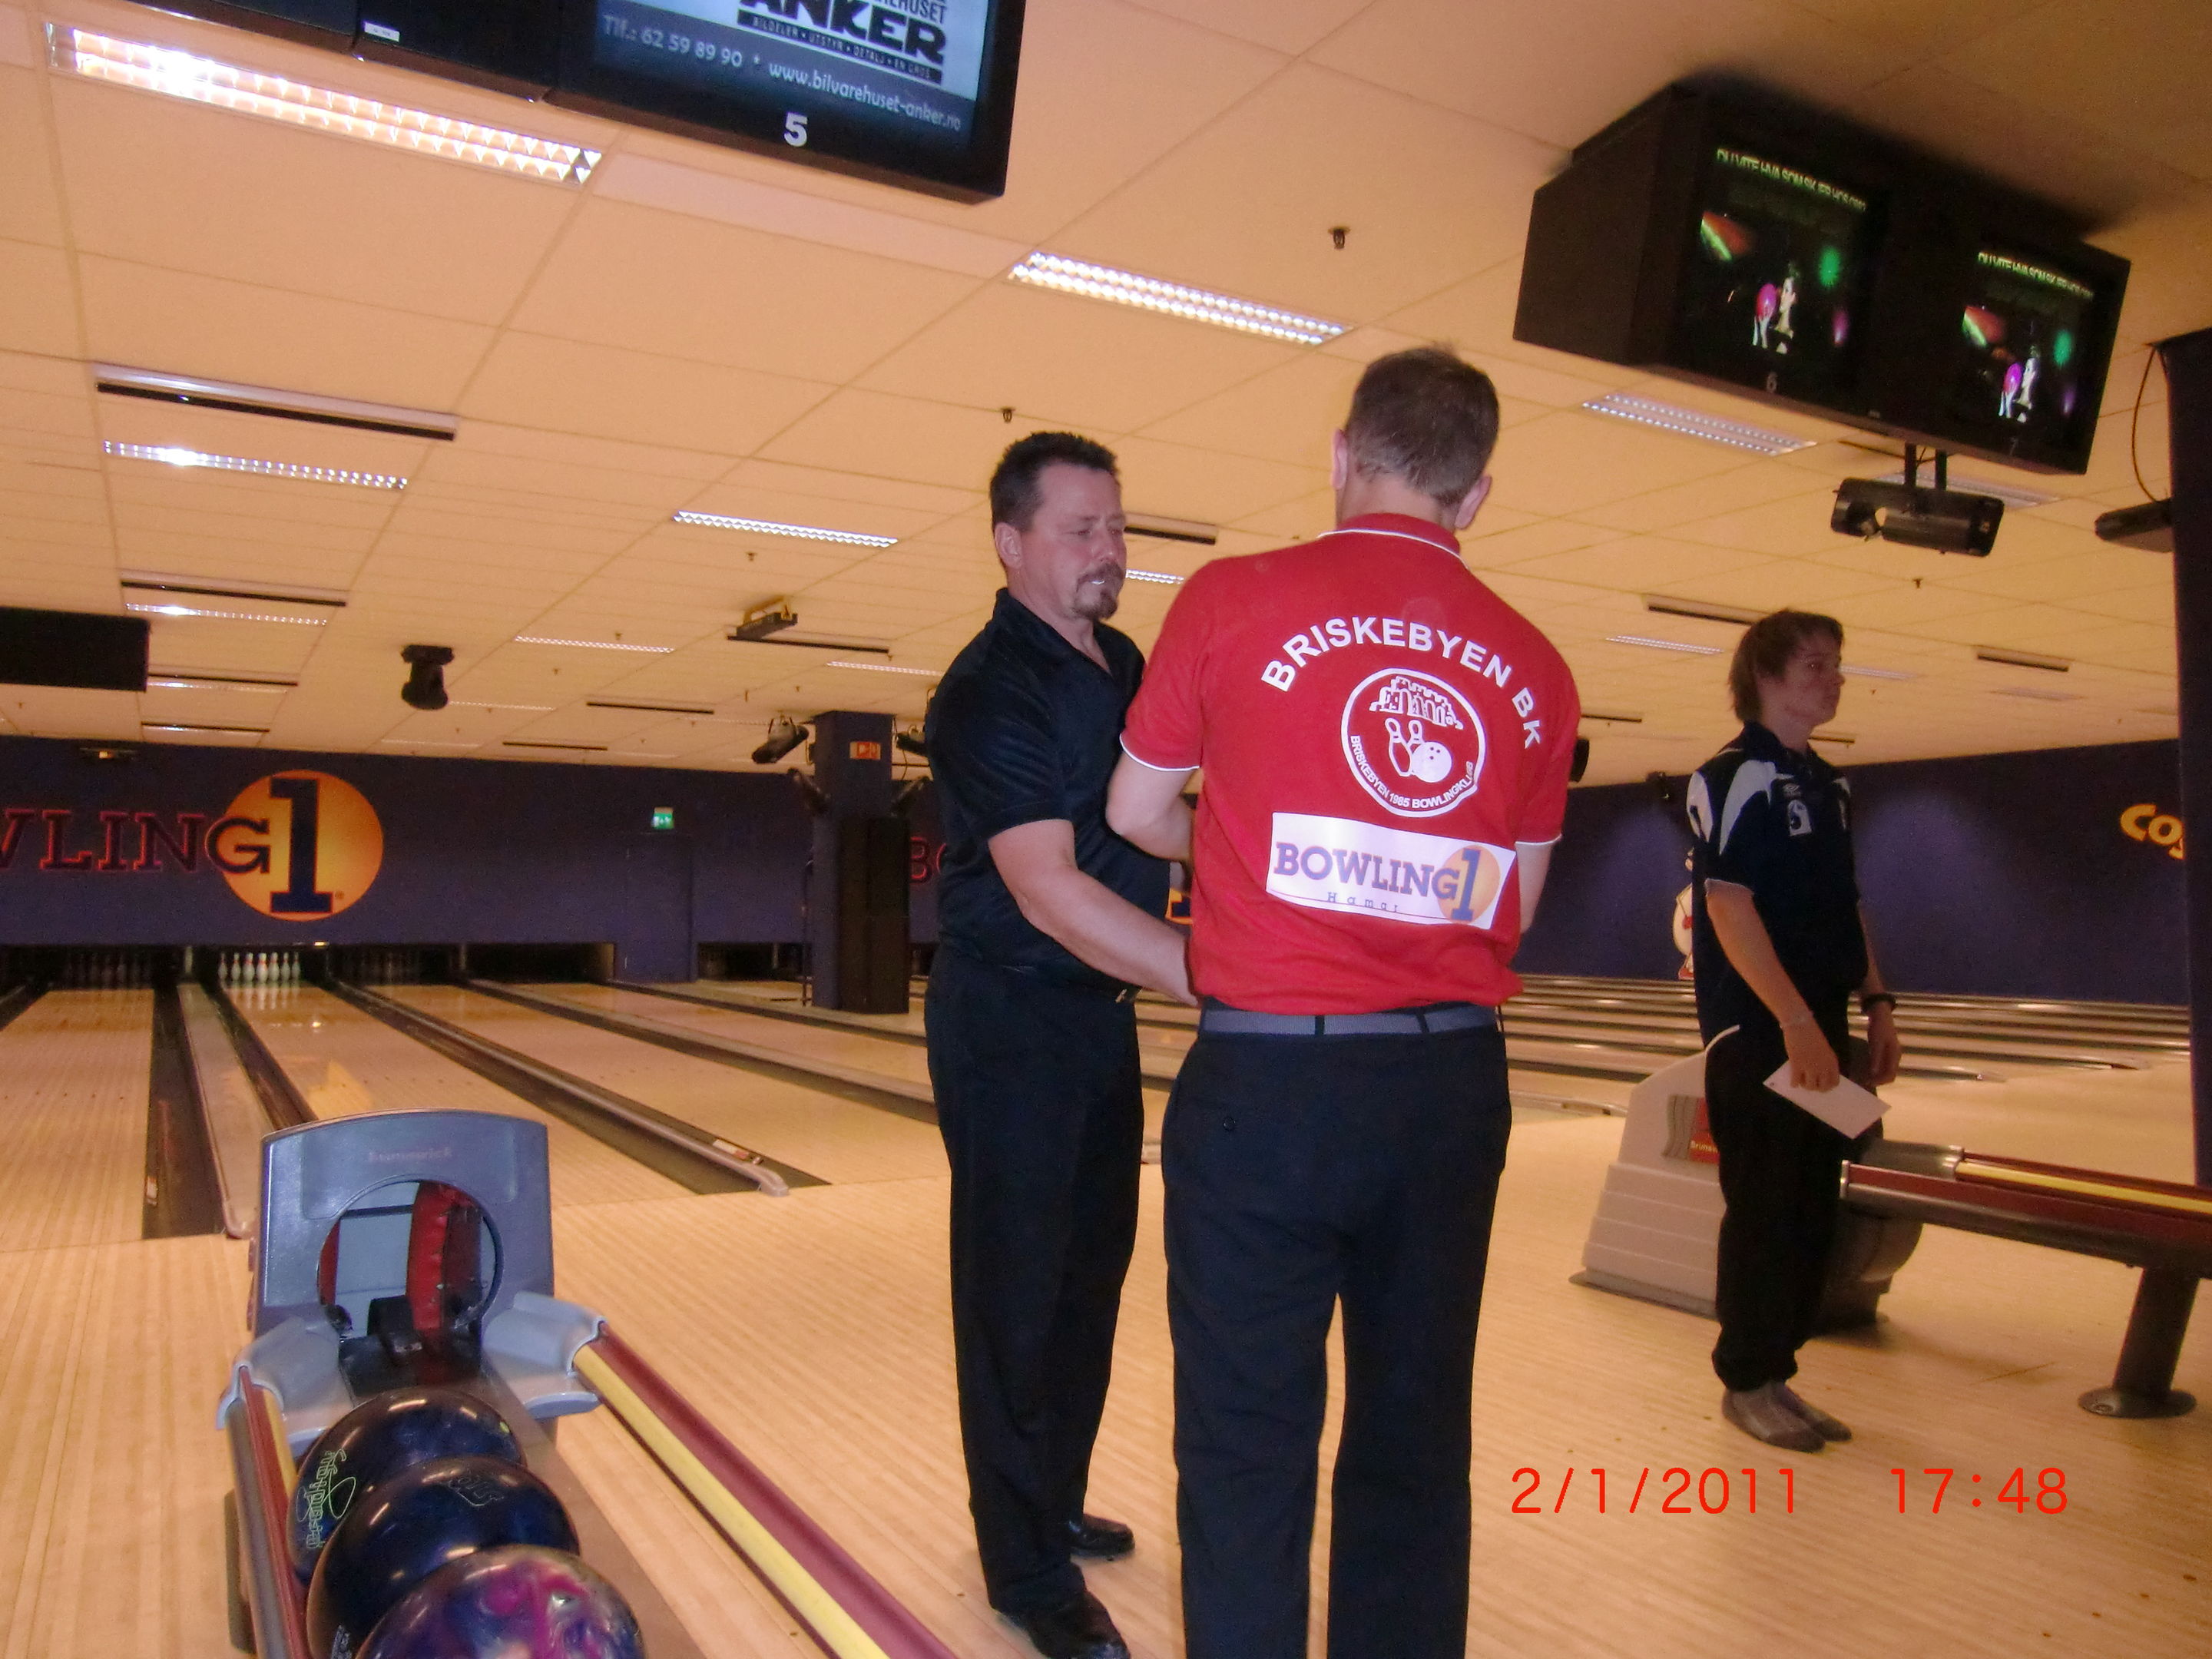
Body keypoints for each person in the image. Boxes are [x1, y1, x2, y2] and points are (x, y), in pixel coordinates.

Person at [1105, 347, 1580, 1659]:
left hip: (1268, 1088)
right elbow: (1516, 903)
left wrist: (1247, 838)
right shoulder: (1535, 665)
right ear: (1475, 495)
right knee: (1415, 1441)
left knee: (1246, 1445)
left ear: (1340, 454)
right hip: (1447, 1093)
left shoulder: (1232, 598)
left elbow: (1133, 810)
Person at [923, 431, 1194, 1659]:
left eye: (1117, 527)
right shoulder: (987, 693)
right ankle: (1024, 1571)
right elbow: (1046, 888)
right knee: (1015, 1298)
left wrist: (1263, 861)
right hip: (1011, 1019)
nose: (1110, 550)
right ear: (1011, 543)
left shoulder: (1124, 663)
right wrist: (1211, 971)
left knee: (1088, 1281)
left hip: (1097, 1019)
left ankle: (1053, 1501)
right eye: (1082, 530)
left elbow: (1157, 817)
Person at [1684, 608, 1902, 1453]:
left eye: (1836, 663)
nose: (1834, 678)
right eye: (1815, 664)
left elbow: (1848, 905)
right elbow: (1727, 907)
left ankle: (1778, 1373)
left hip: (1820, 1022)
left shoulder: (1831, 785)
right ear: (1765, 678)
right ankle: (1745, 1380)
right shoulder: (1730, 775)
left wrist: (1878, 1004)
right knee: (1765, 1210)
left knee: (1812, 1211)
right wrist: (1795, 1023)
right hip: (1758, 1029)